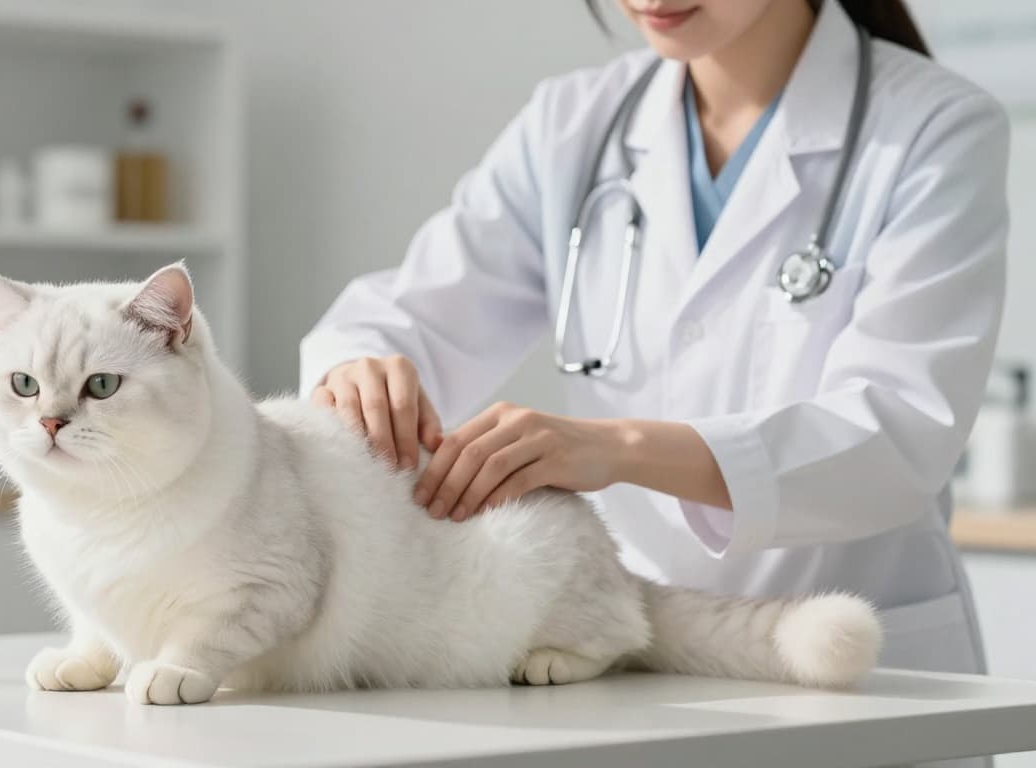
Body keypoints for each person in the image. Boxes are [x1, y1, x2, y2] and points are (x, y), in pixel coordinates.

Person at [300, 0, 1009, 695]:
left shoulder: (933, 126)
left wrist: (619, 448)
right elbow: (413, 310)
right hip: (633, 663)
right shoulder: (572, 124)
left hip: (862, 667)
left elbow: (896, 435)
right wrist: (358, 366)